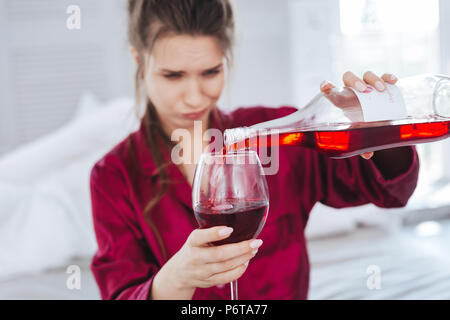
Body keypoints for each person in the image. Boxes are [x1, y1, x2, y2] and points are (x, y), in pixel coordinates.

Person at [89, 0, 419, 300]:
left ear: (226, 60)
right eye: (172, 75)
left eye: (210, 72)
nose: (194, 96)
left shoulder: (277, 130)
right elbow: (122, 292)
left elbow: (389, 192)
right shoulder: (113, 176)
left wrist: (380, 129)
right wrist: (174, 280)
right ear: (139, 61)